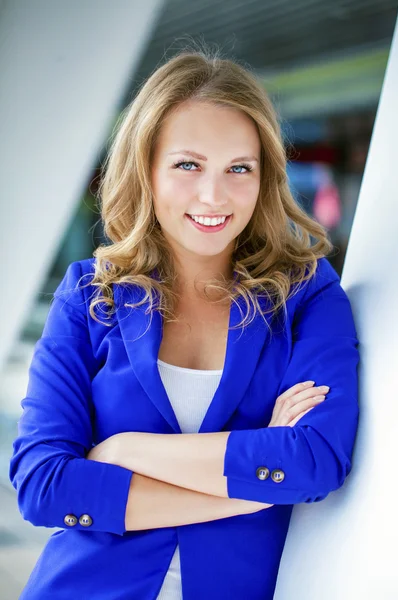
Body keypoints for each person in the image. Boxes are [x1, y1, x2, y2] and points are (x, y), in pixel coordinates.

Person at [9, 47, 360, 600]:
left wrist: (125, 451)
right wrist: (254, 490)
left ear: (264, 175)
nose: (213, 195)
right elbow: (44, 485)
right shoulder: (87, 295)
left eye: (238, 168)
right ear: (145, 168)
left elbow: (315, 461)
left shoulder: (306, 295)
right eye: (187, 164)